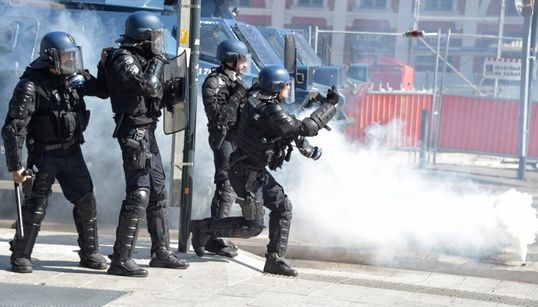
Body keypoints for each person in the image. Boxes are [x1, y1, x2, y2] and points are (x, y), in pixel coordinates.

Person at [190, 65, 340, 276]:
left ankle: (274, 260)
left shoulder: (255, 99)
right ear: (277, 87)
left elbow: (285, 125)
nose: (288, 90)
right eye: (286, 86)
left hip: (252, 170)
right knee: (253, 226)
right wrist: (330, 105)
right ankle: (203, 228)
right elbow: (307, 127)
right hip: (245, 173)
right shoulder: (270, 110)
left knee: (283, 207)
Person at [1, 31, 108, 273]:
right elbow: (13, 129)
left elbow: (102, 90)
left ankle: (89, 253)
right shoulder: (30, 86)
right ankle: (20, 255)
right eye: (66, 57)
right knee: (36, 207)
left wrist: (102, 66)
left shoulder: (75, 78)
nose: (71, 61)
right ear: (51, 59)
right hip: (44, 155)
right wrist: (15, 166)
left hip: (72, 152)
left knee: (86, 201)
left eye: (73, 56)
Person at [99, 11, 189, 277]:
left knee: (158, 192)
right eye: (156, 36)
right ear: (143, 37)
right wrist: (160, 62)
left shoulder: (149, 59)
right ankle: (121, 258)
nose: (160, 42)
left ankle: (160, 252)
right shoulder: (121, 57)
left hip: (148, 131)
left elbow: (159, 92)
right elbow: (147, 85)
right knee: (139, 193)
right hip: (133, 132)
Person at [200, 39, 251, 258]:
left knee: (241, 185)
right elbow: (220, 119)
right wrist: (239, 95)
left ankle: (218, 233)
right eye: (242, 60)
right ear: (230, 60)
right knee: (226, 184)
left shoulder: (236, 81)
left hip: (239, 139)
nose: (245, 65)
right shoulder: (214, 83)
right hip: (225, 139)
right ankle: (215, 238)